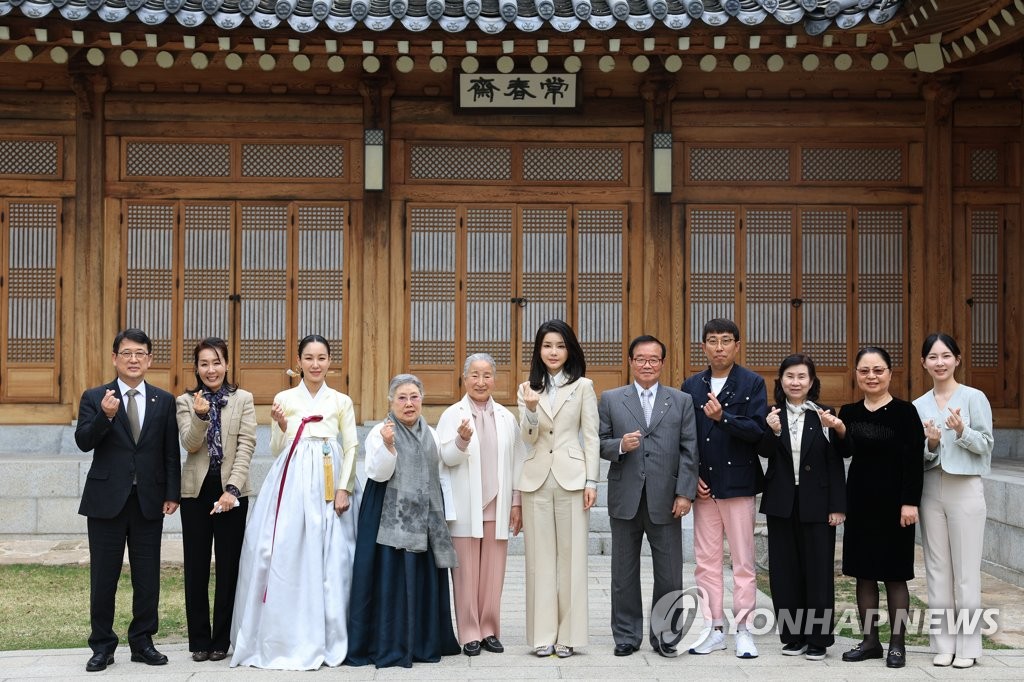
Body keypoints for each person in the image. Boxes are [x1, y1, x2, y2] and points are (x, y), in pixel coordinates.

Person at [231, 334, 359, 670]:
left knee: (333, 557)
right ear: (298, 361)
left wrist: (344, 487)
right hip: (291, 484)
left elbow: (353, 446)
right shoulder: (284, 398)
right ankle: (282, 632)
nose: (315, 364)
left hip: (328, 479)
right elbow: (276, 449)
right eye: (309, 358)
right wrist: (281, 424)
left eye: (322, 358)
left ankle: (332, 634)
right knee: (278, 552)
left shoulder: (341, 400)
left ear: (330, 361)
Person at [75, 328, 181, 673]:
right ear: (114, 358)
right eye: (126, 353)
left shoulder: (163, 400)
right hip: (106, 500)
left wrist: (171, 493)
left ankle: (142, 641)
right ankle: (102, 646)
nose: (133, 360)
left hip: (148, 501)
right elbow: (83, 442)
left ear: (150, 359)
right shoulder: (95, 397)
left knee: (148, 576)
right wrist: (105, 417)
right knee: (104, 577)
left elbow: (169, 451)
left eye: (140, 353)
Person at [346, 374, 462, 668]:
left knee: (422, 579)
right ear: (391, 401)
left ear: (422, 400)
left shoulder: (430, 432)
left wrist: (462, 441)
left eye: (414, 397)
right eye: (402, 398)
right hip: (389, 513)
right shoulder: (380, 432)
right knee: (391, 579)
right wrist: (388, 446)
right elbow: (378, 473)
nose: (409, 404)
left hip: (424, 515)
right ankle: (391, 643)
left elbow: (443, 460)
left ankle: (423, 642)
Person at [820, 346, 924, 669]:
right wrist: (838, 429)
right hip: (861, 503)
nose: (871, 376)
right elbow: (843, 453)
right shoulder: (849, 412)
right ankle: (870, 641)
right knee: (863, 575)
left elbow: (914, 461)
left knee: (894, 576)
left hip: (896, 506)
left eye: (878, 370)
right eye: (865, 371)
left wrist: (910, 502)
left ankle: (897, 644)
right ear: (856, 375)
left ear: (890, 374)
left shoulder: (906, 413)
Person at [599, 334, 699, 657]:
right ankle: (627, 636)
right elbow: (598, 442)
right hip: (625, 498)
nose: (647, 364)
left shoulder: (680, 401)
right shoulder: (612, 399)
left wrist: (685, 493)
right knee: (623, 574)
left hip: (666, 499)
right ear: (630, 362)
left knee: (669, 573)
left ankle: (666, 635)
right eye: (640, 358)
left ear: (662, 363)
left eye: (653, 359)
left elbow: (689, 451)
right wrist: (619, 446)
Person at [681, 317, 767, 659]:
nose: (719, 347)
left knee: (744, 561)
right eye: (712, 341)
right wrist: (693, 476)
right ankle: (714, 627)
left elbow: (758, 431)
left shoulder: (752, 383)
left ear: (737, 345)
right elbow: (685, 437)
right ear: (703, 346)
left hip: (739, 484)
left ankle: (744, 628)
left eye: (726, 340)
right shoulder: (692, 385)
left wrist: (723, 418)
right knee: (706, 561)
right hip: (705, 487)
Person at [516, 319, 600, 658]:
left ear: (570, 350)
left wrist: (592, 480)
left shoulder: (583, 386)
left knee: (572, 558)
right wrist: (532, 410)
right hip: (535, 479)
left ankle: (569, 635)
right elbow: (528, 437)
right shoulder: (527, 388)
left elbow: (591, 436)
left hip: (572, 477)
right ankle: (542, 635)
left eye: (560, 346)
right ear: (539, 349)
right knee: (538, 560)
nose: (553, 352)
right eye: (548, 345)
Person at [436, 354, 526, 657]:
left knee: (493, 573)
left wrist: (516, 502)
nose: (480, 382)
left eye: (487, 375)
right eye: (474, 375)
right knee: (465, 574)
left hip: (498, 506)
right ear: (464, 379)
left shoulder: (506, 417)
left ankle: (489, 629)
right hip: (465, 507)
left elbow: (517, 462)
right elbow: (446, 458)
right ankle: (470, 632)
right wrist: (460, 441)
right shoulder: (452, 414)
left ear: (495, 380)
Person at [758, 354, 846, 661]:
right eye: (790, 377)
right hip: (781, 504)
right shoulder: (772, 414)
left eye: (802, 377)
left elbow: (836, 461)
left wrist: (837, 505)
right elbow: (764, 451)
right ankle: (793, 636)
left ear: (812, 382)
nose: (795, 382)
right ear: (781, 381)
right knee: (784, 572)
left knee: (819, 572)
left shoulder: (824, 414)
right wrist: (773, 431)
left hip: (818, 504)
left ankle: (818, 639)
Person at [913, 333, 993, 669]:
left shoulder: (974, 397)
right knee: (937, 570)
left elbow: (987, 445)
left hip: (966, 489)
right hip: (931, 489)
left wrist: (962, 432)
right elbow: (915, 457)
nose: (940, 362)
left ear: (957, 359)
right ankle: (943, 644)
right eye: (933, 357)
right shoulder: (918, 405)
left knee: (966, 572)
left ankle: (969, 647)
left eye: (946, 356)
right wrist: (930, 444)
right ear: (924, 363)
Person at [175, 337, 256, 663]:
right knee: (195, 568)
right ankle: (199, 640)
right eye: (204, 364)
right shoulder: (184, 401)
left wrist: (232, 490)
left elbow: (247, 444)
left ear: (226, 364)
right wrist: (200, 416)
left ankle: (222, 639)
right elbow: (190, 444)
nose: (211, 369)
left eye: (216, 362)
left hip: (232, 495)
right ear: (196, 368)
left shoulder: (244, 399)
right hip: (195, 494)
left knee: (228, 567)